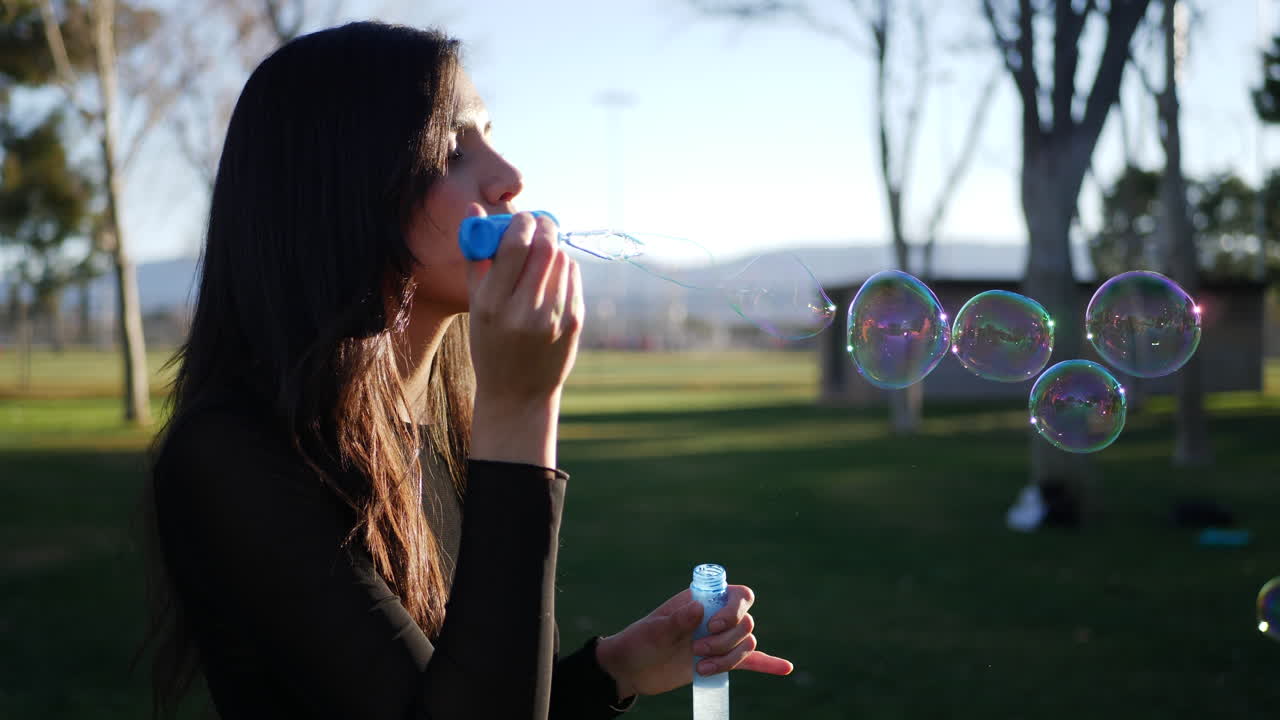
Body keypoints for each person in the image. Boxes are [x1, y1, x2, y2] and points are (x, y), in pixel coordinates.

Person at [138, 20, 793, 720]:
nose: (510, 178)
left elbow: (453, 696)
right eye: (452, 151)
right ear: (345, 190)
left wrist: (613, 669)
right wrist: (520, 409)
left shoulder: (424, 427)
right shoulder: (234, 458)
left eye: (490, 137)